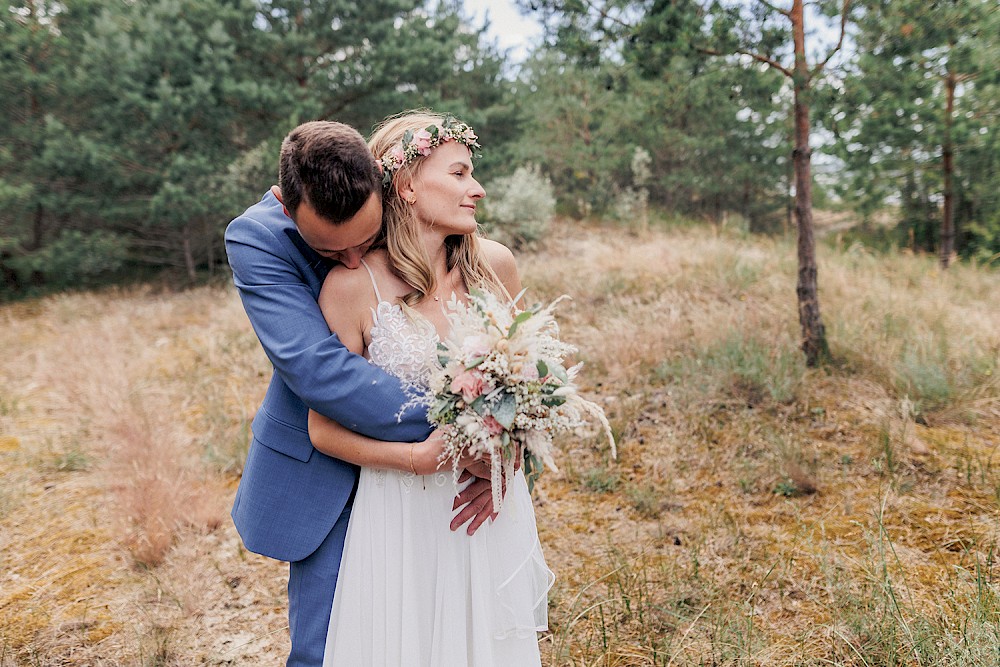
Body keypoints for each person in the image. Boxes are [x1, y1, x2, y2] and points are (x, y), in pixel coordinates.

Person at [224, 120, 500, 667]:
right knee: (327, 649)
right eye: (330, 248)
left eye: (364, 241)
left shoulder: (463, 254)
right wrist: (465, 424)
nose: (352, 260)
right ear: (287, 206)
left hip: (439, 492)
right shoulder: (255, 238)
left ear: (387, 183)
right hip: (326, 468)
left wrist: (497, 440)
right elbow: (319, 371)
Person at [307, 111, 553, 666]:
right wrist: (419, 459)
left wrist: (503, 468)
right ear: (407, 184)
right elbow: (321, 428)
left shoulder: (497, 267)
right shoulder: (351, 288)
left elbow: (523, 393)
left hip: (481, 505)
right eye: (461, 173)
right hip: (398, 509)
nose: (478, 189)